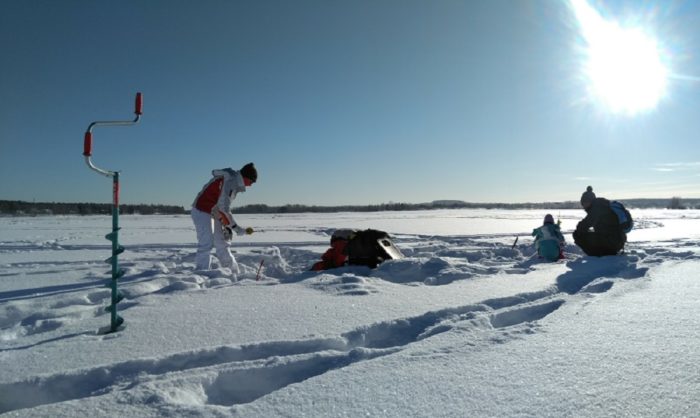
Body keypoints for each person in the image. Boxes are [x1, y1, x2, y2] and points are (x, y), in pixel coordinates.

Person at [191, 163, 257, 272]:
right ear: (246, 177)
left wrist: (227, 225)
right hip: (201, 210)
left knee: (222, 243)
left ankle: (232, 271)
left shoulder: (234, 182)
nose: (251, 185)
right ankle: (201, 272)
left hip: (214, 212)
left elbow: (221, 207)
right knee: (206, 242)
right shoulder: (231, 181)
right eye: (252, 181)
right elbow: (224, 208)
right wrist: (236, 228)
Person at [573, 186, 626, 256]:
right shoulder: (602, 205)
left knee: (577, 234)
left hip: (612, 243)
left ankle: (596, 254)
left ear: (589, 201)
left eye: (584, 203)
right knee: (589, 232)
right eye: (582, 203)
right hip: (618, 240)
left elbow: (583, 226)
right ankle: (602, 252)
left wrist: (582, 230)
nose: (584, 206)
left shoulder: (597, 209)